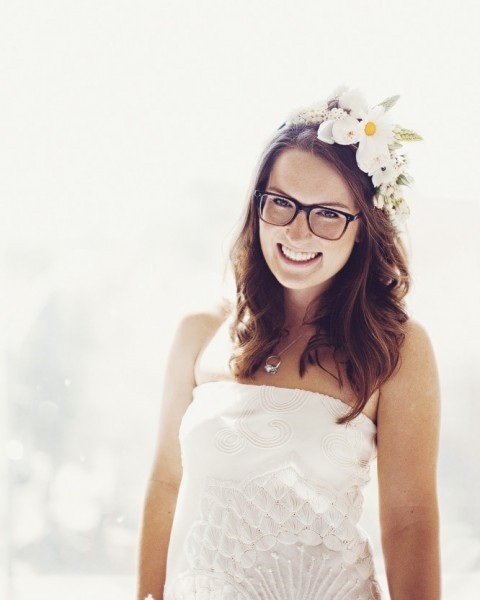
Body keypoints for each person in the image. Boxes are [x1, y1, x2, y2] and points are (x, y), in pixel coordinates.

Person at [137, 87, 441, 600]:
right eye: (281, 204)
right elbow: (166, 485)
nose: (298, 233)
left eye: (327, 213)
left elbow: (410, 522)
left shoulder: (397, 348)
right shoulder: (198, 333)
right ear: (257, 206)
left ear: (362, 227)